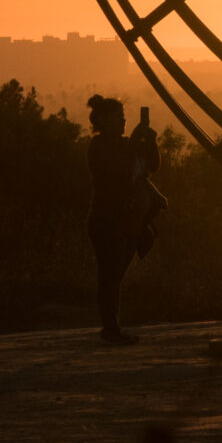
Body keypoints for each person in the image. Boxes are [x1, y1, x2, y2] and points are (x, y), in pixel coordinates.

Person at [85, 94, 164, 346]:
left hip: (127, 221)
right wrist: (135, 143)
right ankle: (111, 328)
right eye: (119, 117)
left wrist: (150, 142)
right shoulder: (99, 147)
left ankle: (112, 328)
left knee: (114, 276)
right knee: (111, 276)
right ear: (105, 120)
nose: (123, 121)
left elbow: (152, 165)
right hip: (108, 220)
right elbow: (118, 171)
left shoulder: (125, 144)